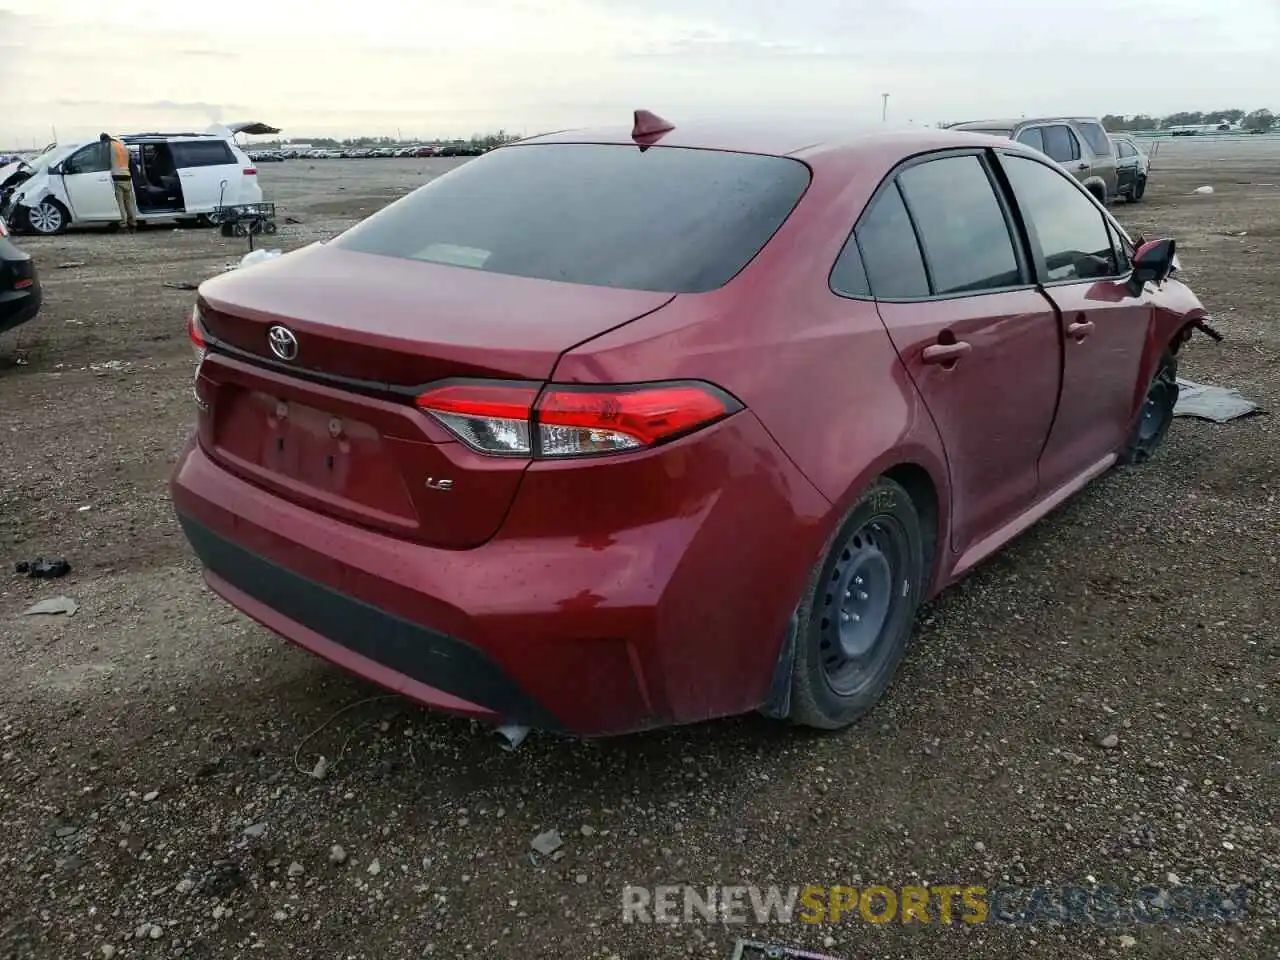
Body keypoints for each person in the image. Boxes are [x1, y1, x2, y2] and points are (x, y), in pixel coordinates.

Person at [102, 132, 138, 231]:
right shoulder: (122, 145)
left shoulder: (109, 146)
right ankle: (133, 223)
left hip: (117, 177)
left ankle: (123, 225)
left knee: (120, 203)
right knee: (129, 202)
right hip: (126, 176)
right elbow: (131, 160)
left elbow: (105, 160)